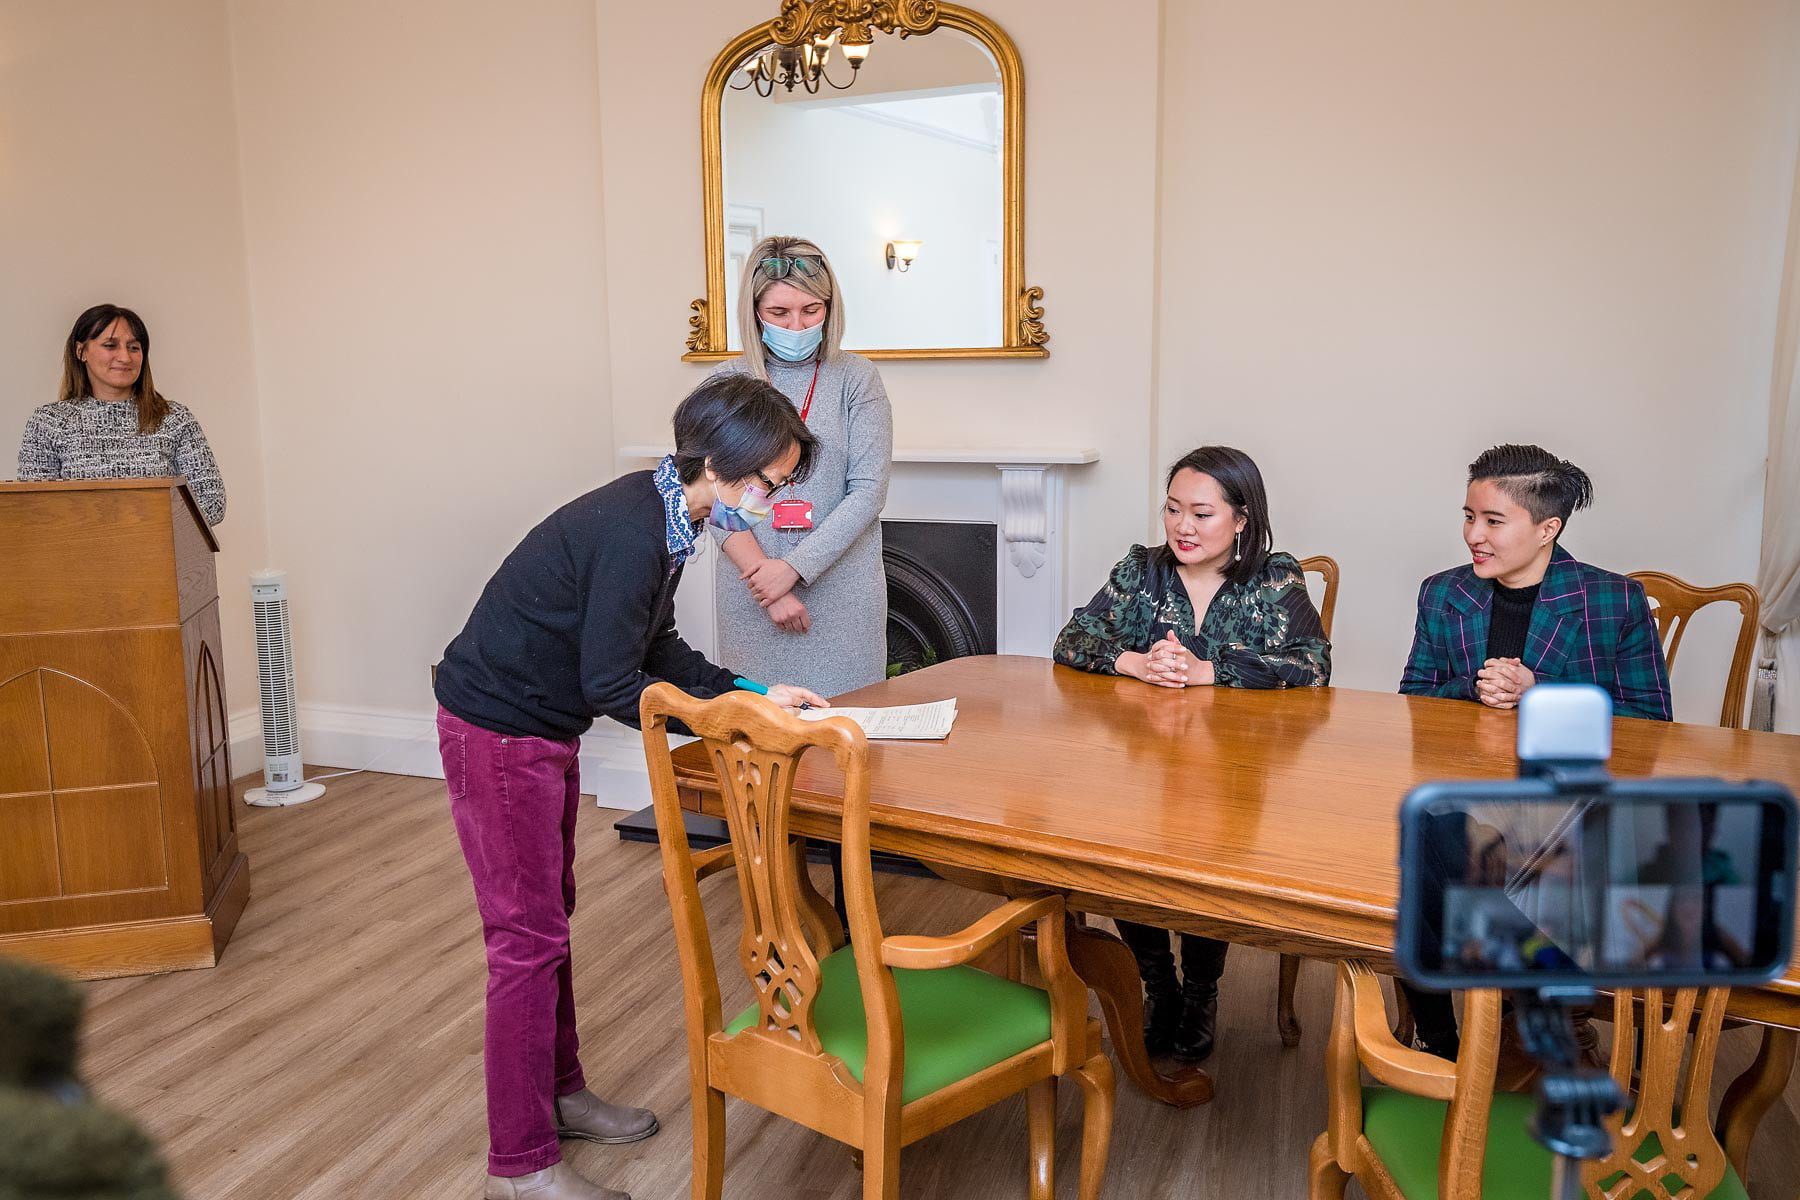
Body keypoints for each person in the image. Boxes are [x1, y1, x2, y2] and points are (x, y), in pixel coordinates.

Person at [433, 374, 828, 1200]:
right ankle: (523, 1167)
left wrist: (753, 695)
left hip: (538, 730)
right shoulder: (634, 532)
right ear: (715, 464)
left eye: (781, 485)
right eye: (764, 483)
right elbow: (615, 681)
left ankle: (561, 1096)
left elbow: (661, 650)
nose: (770, 500)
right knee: (524, 943)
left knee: (547, 925)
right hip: (499, 733)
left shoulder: (667, 520)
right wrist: (723, 727)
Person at [1053, 445, 1330, 1062]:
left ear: (1242, 521)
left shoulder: (1274, 577)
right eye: (1173, 510)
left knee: (1212, 857)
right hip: (1147, 768)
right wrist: (1133, 661)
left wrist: (1211, 671)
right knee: (1126, 852)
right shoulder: (1140, 572)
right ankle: (1159, 984)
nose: (1182, 526)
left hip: (1238, 768)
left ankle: (1202, 990)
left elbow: (1312, 665)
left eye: (1202, 514)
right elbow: (1073, 637)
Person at [1398, 442, 1672, 1059]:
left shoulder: (1612, 599)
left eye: (1494, 521)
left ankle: (1543, 1021)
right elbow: (1413, 702)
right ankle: (1441, 1042)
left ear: (1549, 528)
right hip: (1470, 801)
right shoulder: (1443, 595)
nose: (1475, 535)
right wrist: (1471, 687)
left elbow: (1652, 723)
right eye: (1469, 516)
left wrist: (1540, 691)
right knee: (1417, 842)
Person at [708, 235, 893, 699]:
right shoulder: (727, 383)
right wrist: (768, 582)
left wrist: (792, 568)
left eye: (812, 310)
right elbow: (714, 494)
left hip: (843, 594)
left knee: (852, 730)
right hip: (752, 594)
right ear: (755, 312)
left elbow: (868, 491)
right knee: (759, 737)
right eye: (780, 313)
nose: (797, 325)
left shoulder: (856, 378)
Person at [16, 304, 226, 526]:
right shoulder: (49, 422)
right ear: (81, 351)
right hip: (77, 556)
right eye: (110, 345)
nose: (125, 357)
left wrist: (132, 526)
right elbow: (34, 509)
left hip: (158, 556)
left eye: (134, 347)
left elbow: (212, 503)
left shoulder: (174, 418)